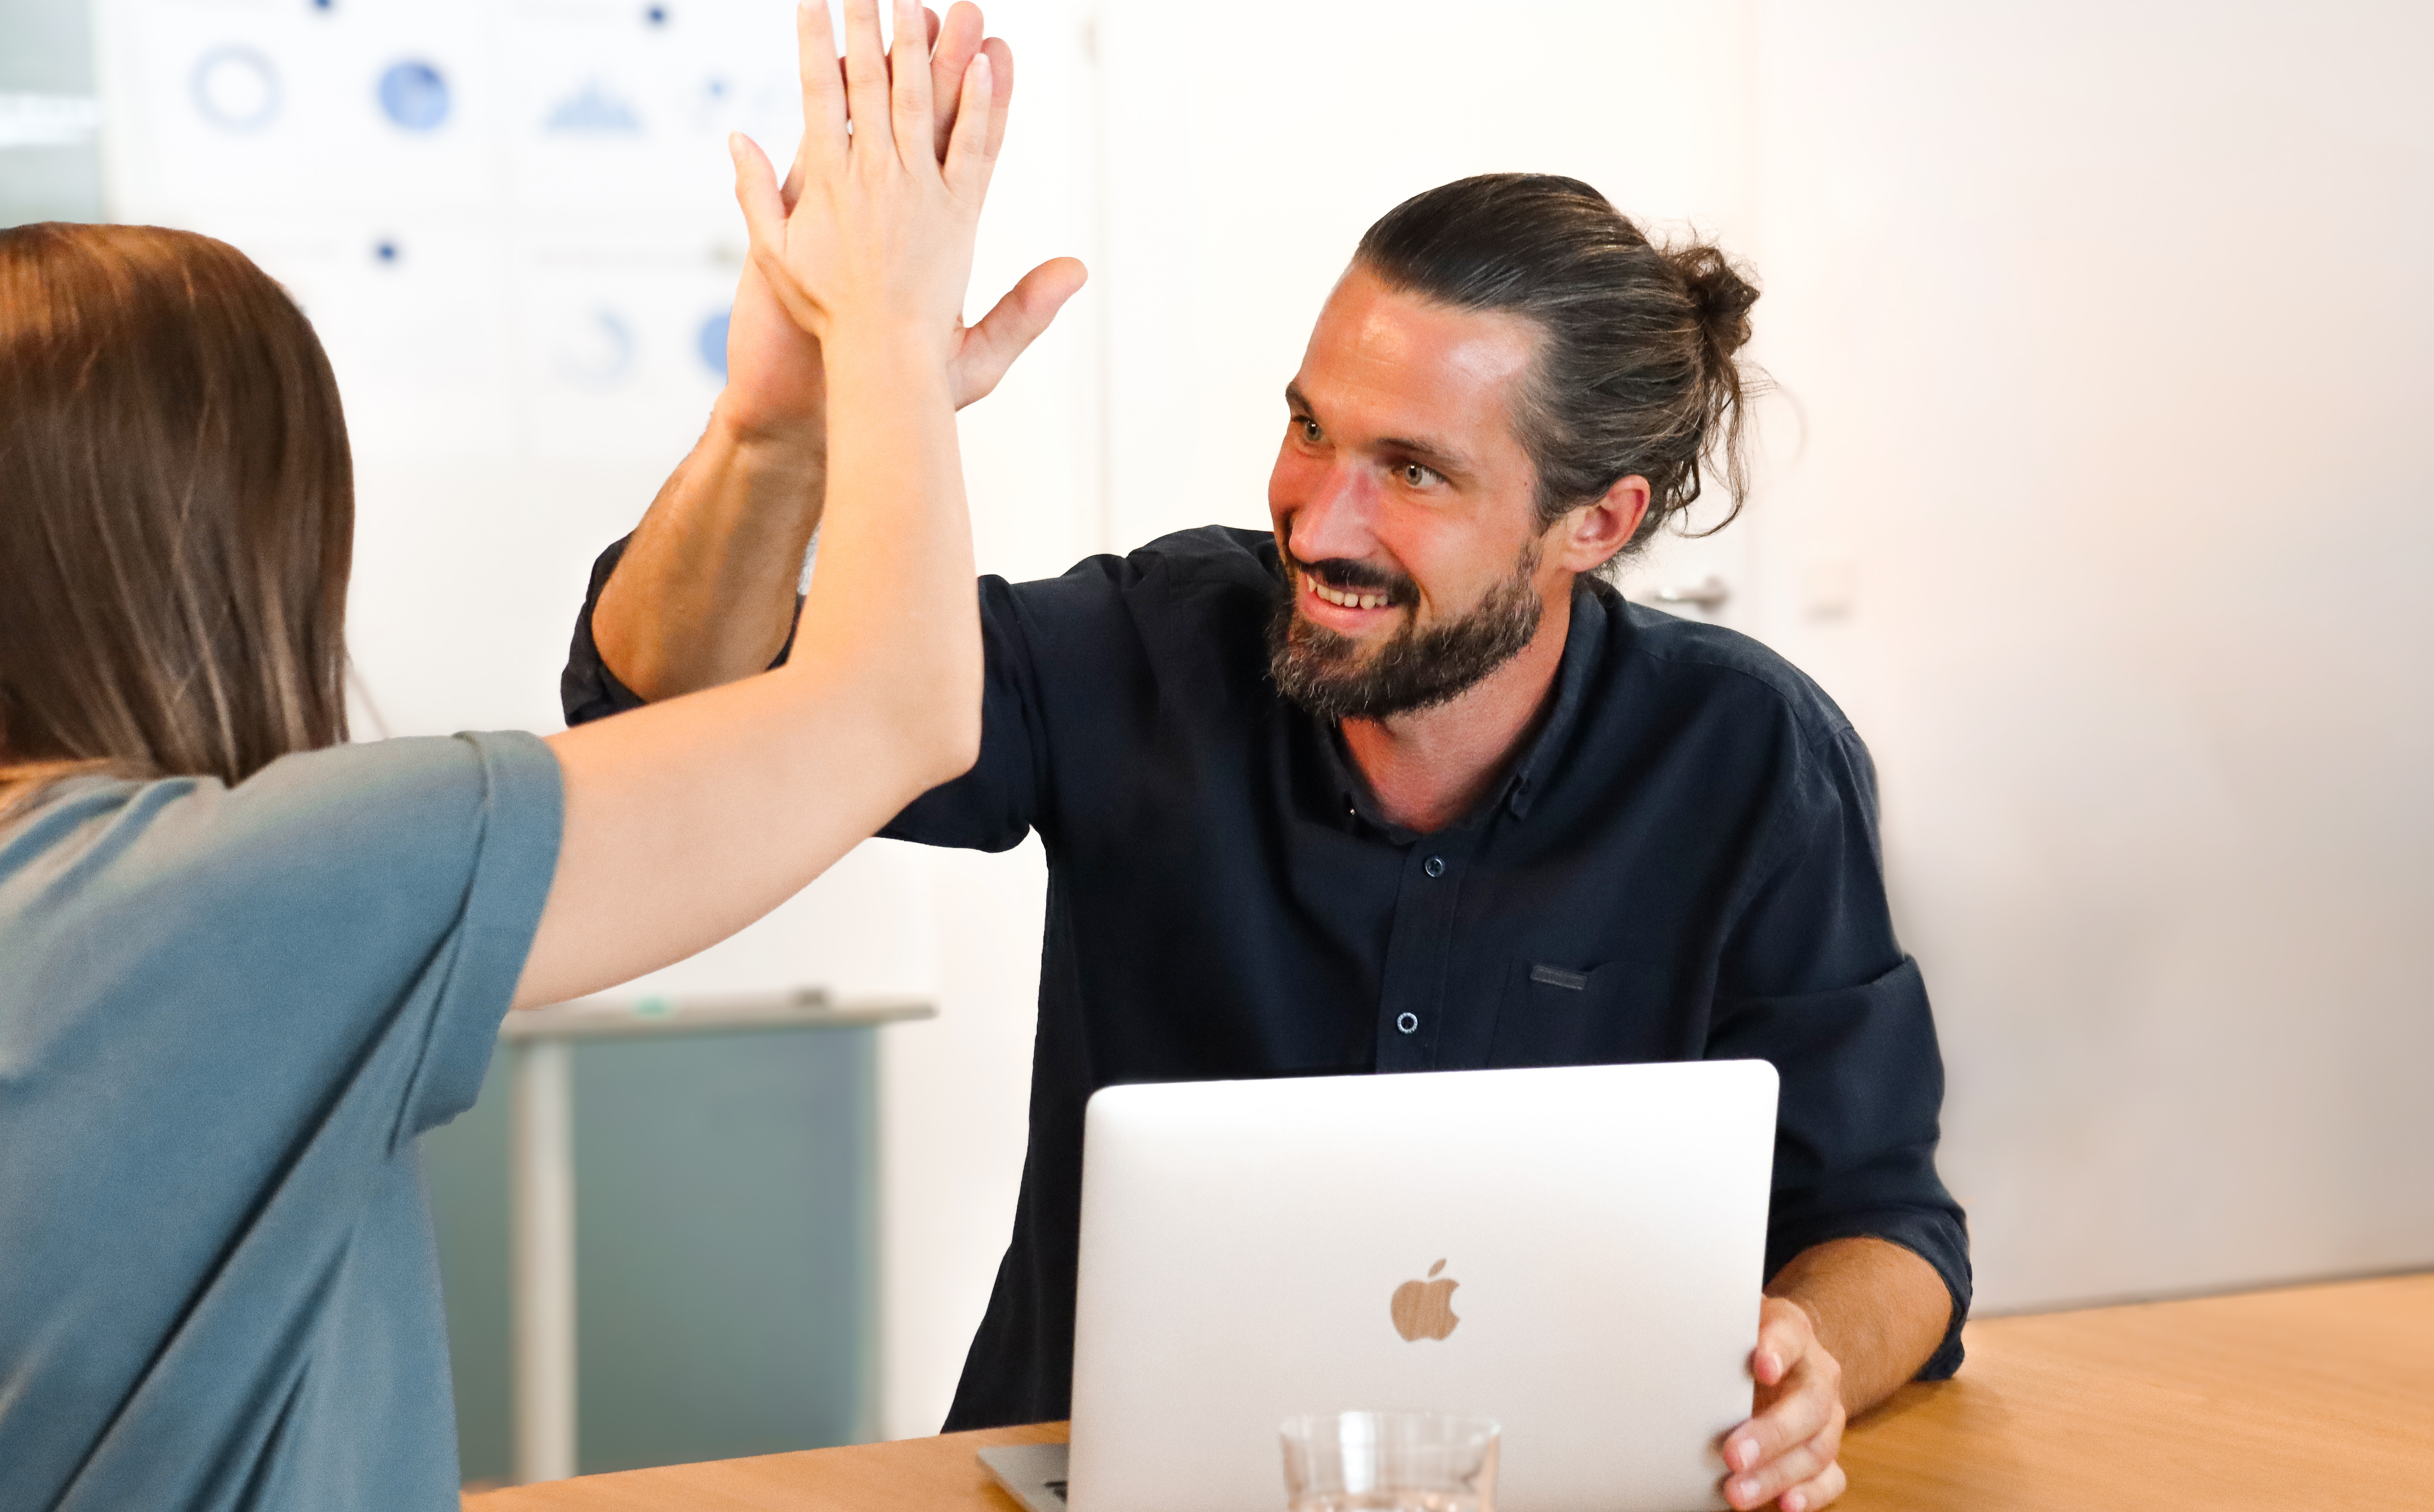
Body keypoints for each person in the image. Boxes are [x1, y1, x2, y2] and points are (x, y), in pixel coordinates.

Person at [569, 164, 1968, 1510]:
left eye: (1414, 472)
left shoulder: (1749, 758)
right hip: (1088, 1487)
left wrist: (1815, 1363)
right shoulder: (1150, 646)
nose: (1318, 518)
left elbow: (1892, 1228)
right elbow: (667, 707)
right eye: (1313, 430)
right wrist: (780, 427)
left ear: (1594, 523)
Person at [0, 3, 1070, 1507]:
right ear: (231, 551)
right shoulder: (237, 890)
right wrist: (886, 332)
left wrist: (773, 429)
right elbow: (898, 714)